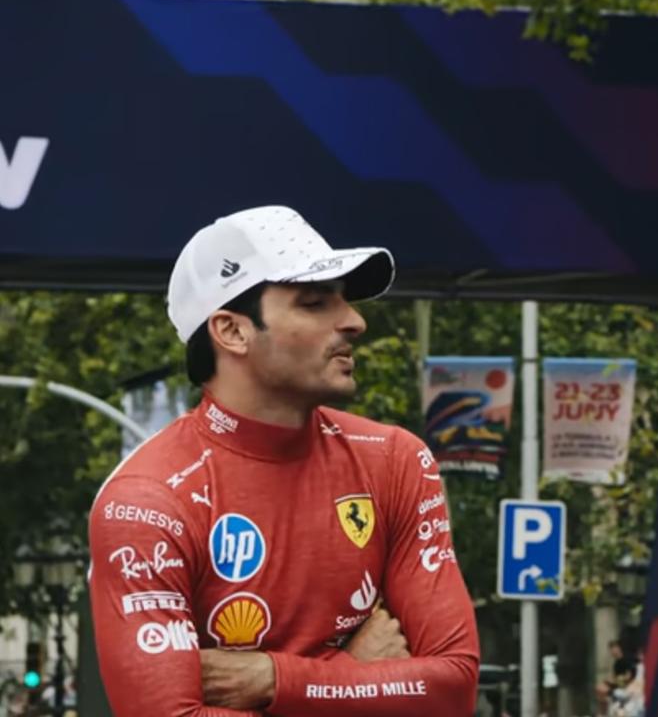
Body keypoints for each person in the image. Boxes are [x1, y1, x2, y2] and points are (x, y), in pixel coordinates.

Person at [88, 206, 480, 715]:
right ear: (231, 332)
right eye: (315, 303)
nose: (355, 321)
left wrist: (271, 679)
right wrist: (349, 674)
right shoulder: (145, 501)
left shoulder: (396, 460)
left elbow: (452, 689)